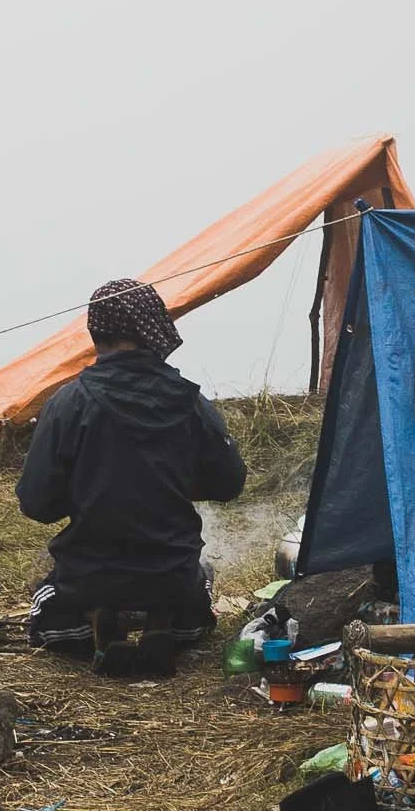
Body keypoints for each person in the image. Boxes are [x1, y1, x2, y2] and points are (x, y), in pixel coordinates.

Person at [17, 278, 245, 674]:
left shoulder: (68, 403)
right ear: (150, 328)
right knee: (200, 585)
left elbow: (36, 504)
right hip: (173, 578)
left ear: (97, 333)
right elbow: (230, 483)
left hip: (90, 577)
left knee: (45, 616)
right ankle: (162, 623)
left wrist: (84, 486)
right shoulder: (190, 401)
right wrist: (176, 482)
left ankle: (103, 622)